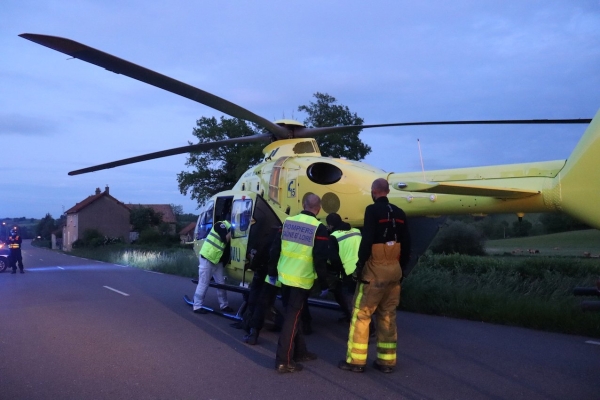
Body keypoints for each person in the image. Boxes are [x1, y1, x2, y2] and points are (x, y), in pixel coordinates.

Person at [339, 178, 411, 374]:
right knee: (388, 315)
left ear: (374, 192)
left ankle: (356, 361)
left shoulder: (372, 211)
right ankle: (386, 362)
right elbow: (407, 244)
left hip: (375, 270)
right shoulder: (400, 213)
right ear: (387, 191)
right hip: (394, 270)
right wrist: (401, 269)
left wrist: (360, 266)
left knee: (362, 315)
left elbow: (368, 239)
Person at [268, 193, 330, 373]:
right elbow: (320, 259)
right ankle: (284, 361)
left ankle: (300, 351)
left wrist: (272, 272)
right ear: (318, 209)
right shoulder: (319, 228)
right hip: (301, 280)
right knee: (292, 319)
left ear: (303, 205)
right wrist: (324, 283)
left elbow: (275, 249)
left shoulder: (287, 222)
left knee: (294, 316)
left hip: (284, 277)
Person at [193, 217, 234, 314]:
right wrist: (233, 230)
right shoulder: (220, 225)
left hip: (217, 261)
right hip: (207, 258)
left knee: (221, 284)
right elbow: (225, 239)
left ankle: (224, 305)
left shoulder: (227, 228)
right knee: (204, 283)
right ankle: (197, 306)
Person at [325, 213, 360, 322]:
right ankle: (352, 318)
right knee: (360, 300)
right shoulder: (356, 231)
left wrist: (335, 270)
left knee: (347, 299)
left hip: (347, 272)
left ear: (330, 225)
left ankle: (365, 327)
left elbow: (334, 259)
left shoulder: (334, 237)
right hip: (362, 269)